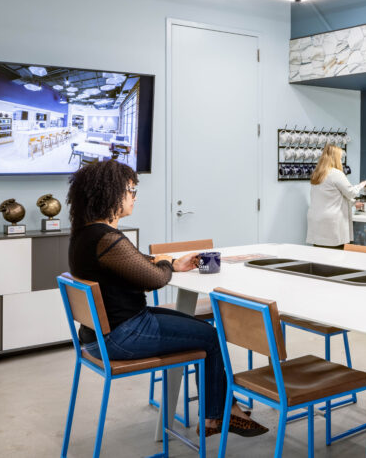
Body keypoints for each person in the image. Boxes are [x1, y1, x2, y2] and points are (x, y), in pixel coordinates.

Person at [66, 160, 266, 437]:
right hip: (122, 336)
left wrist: (170, 261)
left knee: (203, 329)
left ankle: (221, 410)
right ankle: (217, 416)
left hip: (99, 335)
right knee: (211, 337)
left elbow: (135, 263)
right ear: (111, 193)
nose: (134, 197)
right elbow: (156, 279)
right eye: (130, 190)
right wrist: (165, 265)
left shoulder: (86, 235)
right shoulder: (106, 238)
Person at [306, 145, 366, 249]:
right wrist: (361, 185)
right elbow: (351, 192)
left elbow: (331, 196)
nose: (341, 160)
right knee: (335, 256)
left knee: (320, 255)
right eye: (340, 158)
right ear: (335, 158)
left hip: (316, 220)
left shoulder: (317, 174)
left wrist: (353, 203)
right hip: (331, 222)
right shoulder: (336, 173)